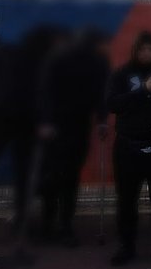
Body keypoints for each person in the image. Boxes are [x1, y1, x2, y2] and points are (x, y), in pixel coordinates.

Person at [37, 27, 111, 245]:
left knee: (61, 176)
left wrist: (102, 118)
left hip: (70, 124)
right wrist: (102, 119)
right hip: (67, 124)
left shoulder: (64, 57)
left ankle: (56, 225)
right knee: (63, 177)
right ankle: (58, 225)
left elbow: (100, 93)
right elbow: (46, 91)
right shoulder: (93, 60)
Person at [106, 31, 151, 264]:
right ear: (135, 50)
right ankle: (126, 246)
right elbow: (112, 104)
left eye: (150, 49)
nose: (146, 54)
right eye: (142, 49)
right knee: (126, 199)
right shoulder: (121, 74)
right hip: (127, 145)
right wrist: (143, 90)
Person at [0, 25, 60, 241]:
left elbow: (39, 92)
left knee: (26, 174)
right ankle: (23, 220)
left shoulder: (10, 54)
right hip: (17, 121)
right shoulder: (17, 56)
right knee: (26, 174)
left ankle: (23, 220)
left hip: (19, 122)